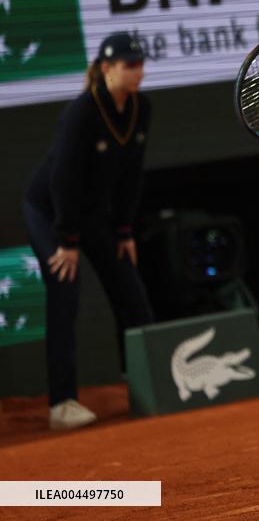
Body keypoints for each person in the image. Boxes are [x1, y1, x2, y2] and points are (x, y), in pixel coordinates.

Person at [23, 32, 155, 431]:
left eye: (139, 64)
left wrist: (125, 229)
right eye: (128, 65)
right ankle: (62, 404)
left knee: (131, 294)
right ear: (105, 69)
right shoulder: (81, 113)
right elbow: (63, 180)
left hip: (95, 216)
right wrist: (66, 240)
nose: (137, 71)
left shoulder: (141, 108)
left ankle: (146, 386)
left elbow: (131, 174)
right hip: (50, 212)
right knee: (65, 292)